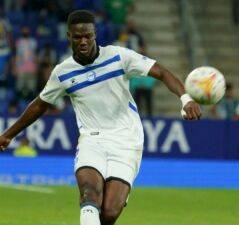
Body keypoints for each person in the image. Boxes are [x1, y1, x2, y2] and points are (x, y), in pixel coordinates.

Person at [0, 10, 201, 225]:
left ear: (95, 33)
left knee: (109, 213)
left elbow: (161, 72)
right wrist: (8, 135)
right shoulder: (63, 72)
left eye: (88, 36)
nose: (83, 41)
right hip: (92, 139)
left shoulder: (118, 56)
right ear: (68, 37)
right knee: (89, 194)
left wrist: (186, 98)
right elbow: (40, 104)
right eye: (77, 37)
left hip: (127, 139)